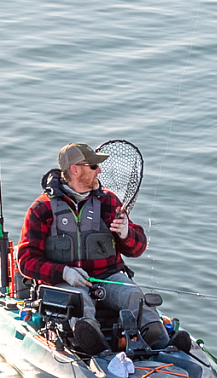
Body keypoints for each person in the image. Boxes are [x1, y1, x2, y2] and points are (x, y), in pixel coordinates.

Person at [17, 142, 171, 355]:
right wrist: (64, 272)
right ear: (75, 169)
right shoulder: (42, 208)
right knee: (81, 304)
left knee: (135, 295)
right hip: (65, 282)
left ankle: (164, 344)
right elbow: (25, 261)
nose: (99, 170)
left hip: (107, 277)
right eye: (93, 166)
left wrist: (126, 234)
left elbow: (137, 249)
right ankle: (96, 351)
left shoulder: (108, 202)